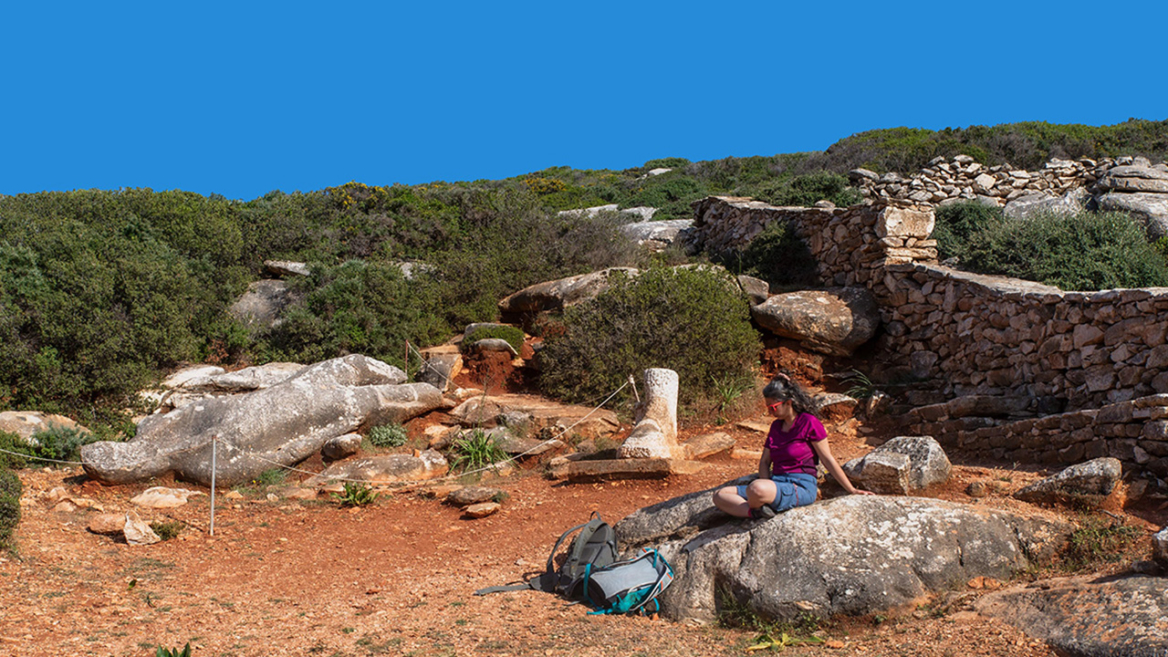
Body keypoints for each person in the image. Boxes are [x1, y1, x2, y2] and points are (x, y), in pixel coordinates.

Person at [713, 374, 873, 519]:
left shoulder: (809, 422)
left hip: (800, 485)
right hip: (775, 484)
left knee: (756, 489)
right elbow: (764, 462)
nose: (770, 412)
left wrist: (851, 489)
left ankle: (759, 504)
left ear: (788, 403)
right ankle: (756, 512)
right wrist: (766, 485)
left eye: (773, 407)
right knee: (720, 495)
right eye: (767, 408)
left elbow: (827, 459)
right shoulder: (776, 427)